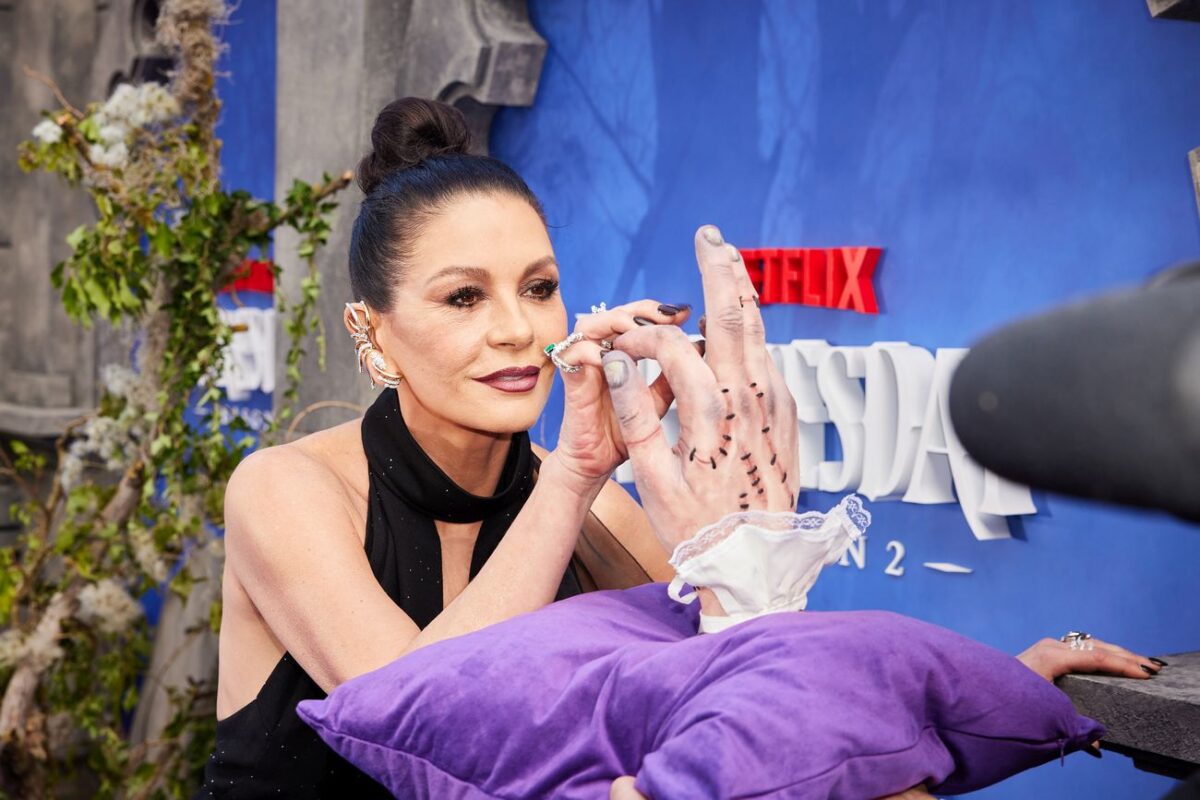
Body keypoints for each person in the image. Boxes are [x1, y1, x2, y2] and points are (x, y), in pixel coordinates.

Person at [197, 98, 1165, 799]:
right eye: (464, 296)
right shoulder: (284, 491)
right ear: (373, 334)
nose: (514, 328)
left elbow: (777, 724)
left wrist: (1002, 682)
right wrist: (574, 468)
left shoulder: (607, 519)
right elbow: (408, 703)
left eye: (538, 288)